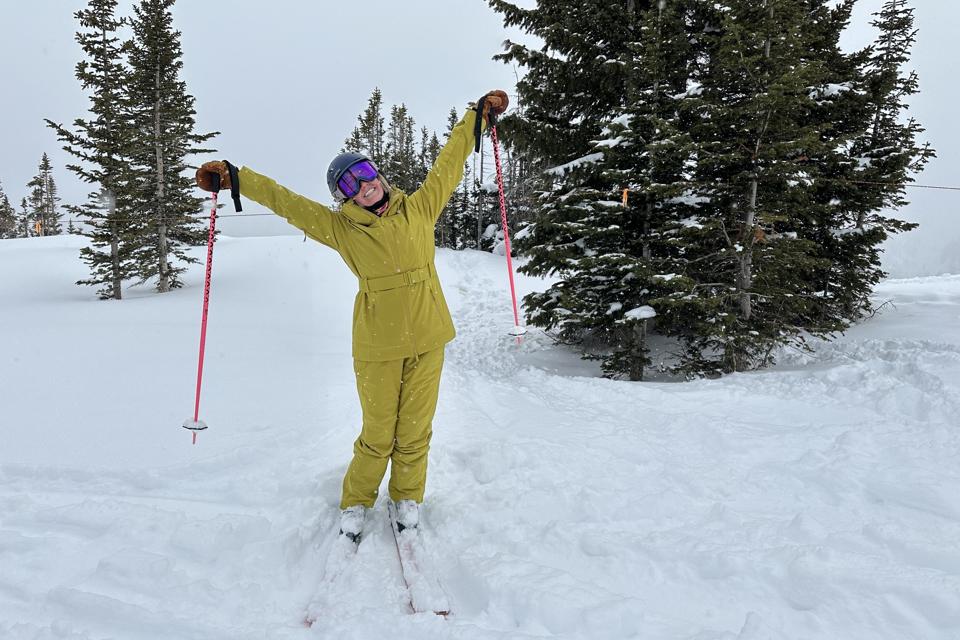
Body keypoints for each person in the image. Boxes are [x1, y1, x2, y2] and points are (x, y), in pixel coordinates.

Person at [195, 90, 509, 543]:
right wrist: (237, 179)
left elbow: (449, 162)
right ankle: (358, 501)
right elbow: (287, 203)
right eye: (350, 184)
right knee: (378, 434)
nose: (364, 186)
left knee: (416, 430)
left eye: (365, 173)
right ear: (344, 197)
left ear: (377, 173)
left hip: (428, 338)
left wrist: (476, 117)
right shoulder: (341, 230)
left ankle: (407, 497)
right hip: (378, 346)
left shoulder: (419, 208)